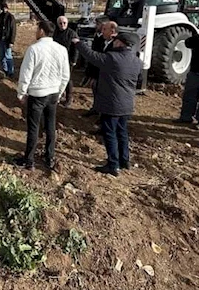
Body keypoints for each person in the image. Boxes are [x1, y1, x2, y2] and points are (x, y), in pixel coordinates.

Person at [73, 31, 143, 176]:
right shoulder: (137, 61)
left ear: (120, 43)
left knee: (109, 133)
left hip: (112, 104)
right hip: (127, 104)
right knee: (122, 132)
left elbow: (92, 56)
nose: (113, 42)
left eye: (115, 41)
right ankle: (125, 161)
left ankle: (113, 165)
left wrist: (78, 43)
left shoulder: (112, 58)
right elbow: (139, 81)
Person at [15, 20, 71, 170]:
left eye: (37, 29)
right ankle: (50, 157)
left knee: (34, 127)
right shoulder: (61, 49)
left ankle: (29, 160)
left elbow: (26, 73)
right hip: (53, 94)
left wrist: (21, 93)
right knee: (50, 126)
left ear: (41, 31)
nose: (35, 31)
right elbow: (66, 75)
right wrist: (59, 92)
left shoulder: (34, 49)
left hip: (37, 94)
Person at [84, 19, 117, 116]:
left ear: (112, 31)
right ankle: (96, 109)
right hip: (98, 73)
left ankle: (103, 114)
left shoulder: (115, 45)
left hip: (108, 77)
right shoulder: (104, 41)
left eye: (105, 29)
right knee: (96, 91)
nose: (102, 31)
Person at [53, 15, 78, 106]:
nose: (62, 24)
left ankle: (69, 98)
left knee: (67, 79)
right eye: (60, 23)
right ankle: (59, 94)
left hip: (68, 60)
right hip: (56, 60)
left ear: (67, 23)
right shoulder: (55, 33)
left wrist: (74, 60)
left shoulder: (72, 34)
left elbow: (76, 48)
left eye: (64, 23)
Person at [0, 2, 17, 78]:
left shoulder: (11, 17)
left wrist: (11, 41)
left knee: (8, 56)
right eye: (3, 8)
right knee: (2, 56)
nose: (4, 9)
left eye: (5, 8)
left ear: (7, 8)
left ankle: (11, 72)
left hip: (7, 40)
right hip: (0, 39)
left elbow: (13, 30)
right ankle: (5, 70)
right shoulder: (0, 16)